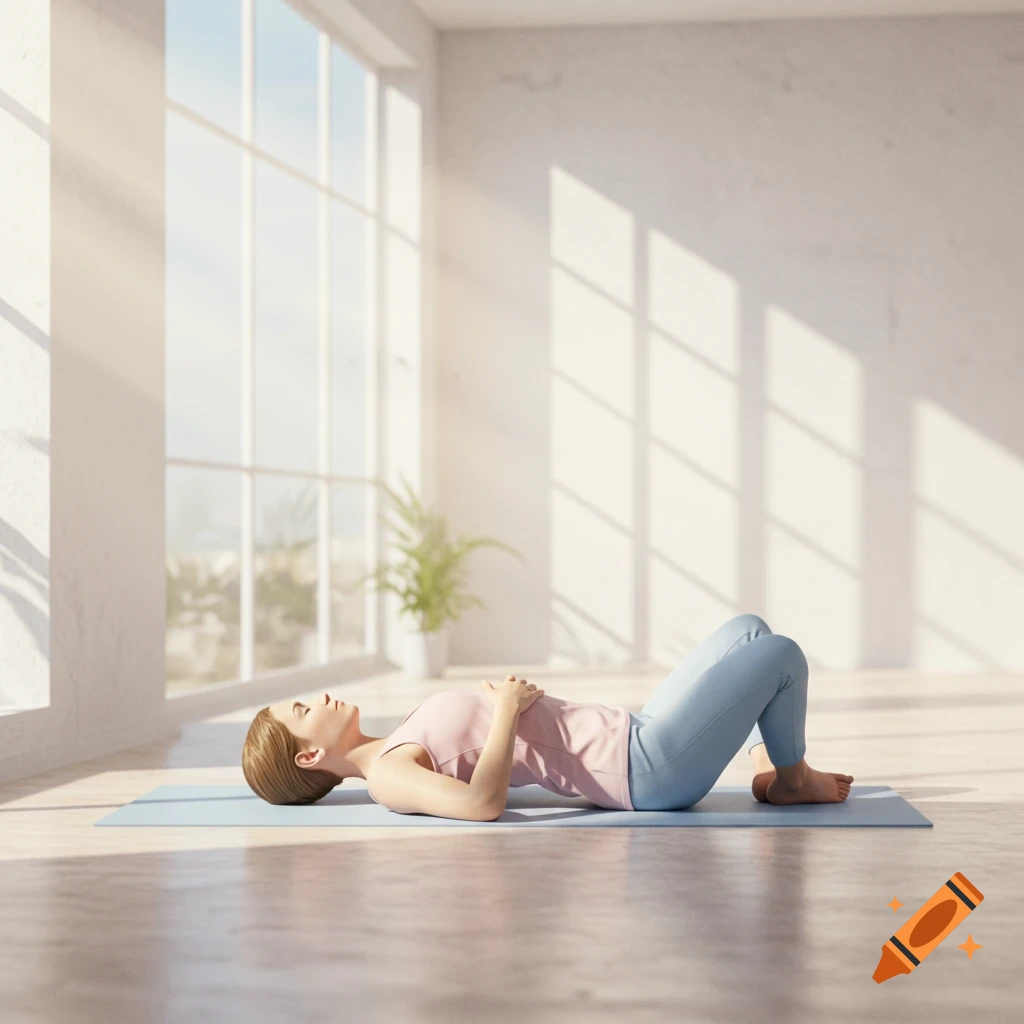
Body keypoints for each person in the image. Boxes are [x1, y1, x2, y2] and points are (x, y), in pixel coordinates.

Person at [241, 613, 853, 819]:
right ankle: (793, 780)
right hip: (646, 771)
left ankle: (768, 765)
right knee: (779, 655)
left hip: (633, 730)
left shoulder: (398, 735)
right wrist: (506, 709)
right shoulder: (387, 776)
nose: (319, 698)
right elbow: (482, 805)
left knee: (747, 633)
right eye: (303, 710)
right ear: (309, 756)